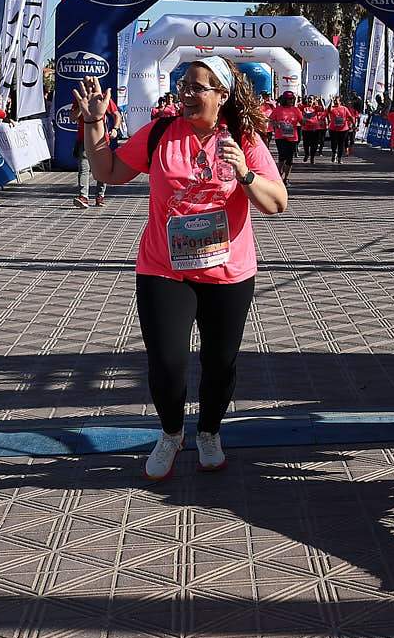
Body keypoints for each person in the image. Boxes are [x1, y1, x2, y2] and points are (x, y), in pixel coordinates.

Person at [72, 59, 288, 480]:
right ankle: (171, 433)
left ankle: (209, 431)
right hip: (164, 267)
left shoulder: (244, 139)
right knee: (166, 362)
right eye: (184, 85)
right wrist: (95, 125)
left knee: (219, 362)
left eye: (198, 87)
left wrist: (244, 173)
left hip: (228, 273)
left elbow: (277, 203)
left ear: (222, 95)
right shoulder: (160, 133)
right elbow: (109, 172)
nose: (186, 94)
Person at [76, 88, 124, 208]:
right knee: (84, 168)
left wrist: (115, 129)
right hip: (85, 140)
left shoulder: (102, 98)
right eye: (87, 84)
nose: (89, 87)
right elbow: (72, 117)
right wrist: (82, 107)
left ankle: (100, 196)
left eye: (92, 84)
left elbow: (117, 114)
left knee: (102, 169)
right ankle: (83, 197)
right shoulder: (80, 98)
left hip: (101, 140)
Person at [268, 91, 302, 176]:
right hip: (280, 137)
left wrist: (309, 121)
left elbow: (301, 121)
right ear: (284, 99)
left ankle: (286, 178)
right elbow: (270, 119)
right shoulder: (278, 109)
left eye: (292, 99)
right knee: (282, 156)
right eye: (288, 99)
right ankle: (278, 175)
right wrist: (276, 124)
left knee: (289, 159)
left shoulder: (296, 110)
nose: (290, 101)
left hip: (292, 137)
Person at [327, 95, 356, 163]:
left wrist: (353, 124)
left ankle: (339, 158)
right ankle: (334, 153)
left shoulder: (344, 108)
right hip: (333, 129)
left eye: (336, 101)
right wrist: (331, 101)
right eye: (334, 101)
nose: (335, 102)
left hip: (343, 129)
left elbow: (350, 117)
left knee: (341, 144)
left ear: (340, 101)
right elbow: (328, 110)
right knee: (333, 144)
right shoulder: (332, 108)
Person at [301, 97, 328, 165]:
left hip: (315, 129)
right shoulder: (303, 107)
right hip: (305, 129)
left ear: (313, 101)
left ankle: (312, 157)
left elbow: (324, 109)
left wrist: (321, 100)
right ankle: (307, 154)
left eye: (311, 99)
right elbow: (296, 107)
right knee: (306, 144)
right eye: (309, 99)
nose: (310, 100)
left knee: (314, 145)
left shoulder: (315, 108)